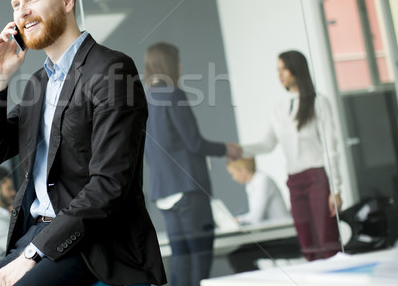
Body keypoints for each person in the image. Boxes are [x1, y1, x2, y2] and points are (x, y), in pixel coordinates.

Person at [0, 0, 166, 286]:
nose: (22, 11)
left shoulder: (112, 70)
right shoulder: (37, 84)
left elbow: (110, 185)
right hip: (37, 234)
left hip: (94, 241)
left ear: (66, 0)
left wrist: (34, 254)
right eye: (16, 4)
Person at [142, 42, 241, 286]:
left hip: (164, 194)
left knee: (181, 263)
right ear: (168, 65)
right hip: (188, 189)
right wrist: (226, 149)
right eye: (177, 62)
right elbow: (194, 143)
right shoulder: (173, 94)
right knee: (200, 263)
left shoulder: (142, 100)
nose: (182, 67)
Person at [240, 50, 342, 261]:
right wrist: (237, 149)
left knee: (327, 240)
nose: (280, 75)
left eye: (284, 69)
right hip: (294, 181)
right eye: (277, 70)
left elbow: (331, 148)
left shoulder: (318, 103)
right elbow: (267, 145)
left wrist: (336, 188)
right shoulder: (279, 109)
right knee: (308, 243)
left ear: (297, 69)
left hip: (317, 178)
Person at [226, 157, 291, 225]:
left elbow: (256, 217)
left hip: (282, 226)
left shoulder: (262, 180)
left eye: (233, 174)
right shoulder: (249, 184)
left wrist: (237, 220)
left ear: (243, 170)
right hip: (271, 227)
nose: (233, 178)